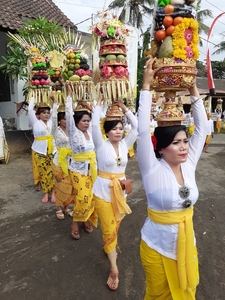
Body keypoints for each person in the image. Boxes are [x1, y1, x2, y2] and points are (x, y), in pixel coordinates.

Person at [137, 58, 207, 299]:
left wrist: (193, 89)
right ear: (162, 148)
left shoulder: (189, 164)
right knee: (157, 296)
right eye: (176, 143)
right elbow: (143, 131)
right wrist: (146, 87)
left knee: (187, 292)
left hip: (187, 244)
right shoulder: (151, 168)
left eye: (185, 142)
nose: (183, 147)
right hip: (156, 247)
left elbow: (202, 129)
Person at [91, 96, 138, 291]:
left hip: (120, 192)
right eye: (114, 128)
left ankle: (109, 247)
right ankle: (114, 268)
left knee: (115, 226)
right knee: (109, 229)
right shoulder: (101, 145)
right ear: (106, 131)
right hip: (102, 192)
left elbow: (137, 128)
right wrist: (100, 104)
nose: (118, 131)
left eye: (120, 128)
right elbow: (94, 123)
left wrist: (124, 108)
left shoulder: (126, 144)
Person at [65, 82, 97, 240]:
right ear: (76, 122)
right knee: (82, 198)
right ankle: (75, 224)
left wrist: (89, 106)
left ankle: (84, 220)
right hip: (77, 170)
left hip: (91, 170)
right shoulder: (73, 132)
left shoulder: (90, 132)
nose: (86, 123)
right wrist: (69, 95)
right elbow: (68, 113)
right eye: (84, 120)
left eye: (88, 120)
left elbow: (96, 117)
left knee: (90, 198)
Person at [50, 95, 75, 220]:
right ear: (60, 120)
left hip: (71, 161)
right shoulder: (56, 130)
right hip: (58, 161)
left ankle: (67, 207)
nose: (66, 121)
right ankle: (59, 208)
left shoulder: (72, 131)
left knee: (70, 185)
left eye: (67, 119)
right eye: (64, 119)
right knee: (60, 185)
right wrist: (55, 104)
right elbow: (53, 117)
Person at [28, 98, 56, 203]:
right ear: (38, 114)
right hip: (39, 150)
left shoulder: (51, 122)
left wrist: (52, 100)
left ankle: (53, 192)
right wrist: (34, 96)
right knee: (43, 172)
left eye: (48, 113)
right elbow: (30, 109)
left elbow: (55, 110)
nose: (46, 115)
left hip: (52, 150)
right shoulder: (35, 122)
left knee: (53, 171)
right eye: (43, 113)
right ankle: (46, 193)